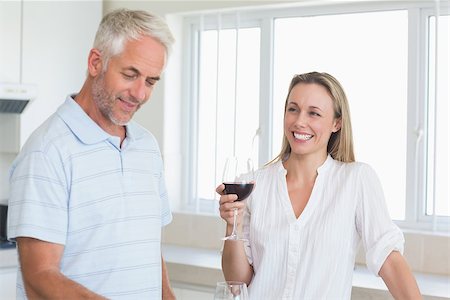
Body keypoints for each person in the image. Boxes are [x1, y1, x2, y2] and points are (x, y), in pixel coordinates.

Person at [7, 9, 176, 299]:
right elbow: (40, 276)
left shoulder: (147, 147)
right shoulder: (47, 152)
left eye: (150, 81)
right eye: (130, 74)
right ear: (96, 62)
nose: (139, 93)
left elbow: (148, 248)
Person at [217, 72, 421, 299]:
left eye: (313, 113)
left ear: (336, 123)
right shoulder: (255, 185)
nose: (299, 121)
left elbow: (389, 260)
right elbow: (238, 283)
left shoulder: (355, 181)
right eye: (293, 109)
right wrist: (231, 225)